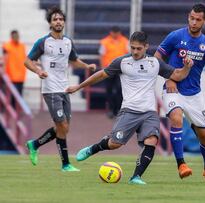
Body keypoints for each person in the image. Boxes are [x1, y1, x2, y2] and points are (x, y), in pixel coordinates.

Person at [68, 31, 194, 185]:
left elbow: (177, 75)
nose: (134, 51)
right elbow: (101, 75)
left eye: (138, 48)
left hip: (149, 112)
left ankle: (136, 177)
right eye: (132, 48)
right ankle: (93, 149)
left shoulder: (155, 63)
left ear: (146, 47)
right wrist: (79, 86)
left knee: (152, 140)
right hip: (129, 110)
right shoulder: (122, 62)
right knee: (115, 143)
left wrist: (187, 67)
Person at [154, 3, 205, 184]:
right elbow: (156, 59)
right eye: (192, 18)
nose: (194, 22)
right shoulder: (175, 36)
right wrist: (168, 78)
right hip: (173, 89)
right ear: (188, 17)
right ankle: (181, 164)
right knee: (176, 117)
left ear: (204, 21)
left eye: (198, 19)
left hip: (194, 94)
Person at [24, 7, 96, 172]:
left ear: (64, 22)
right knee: (62, 125)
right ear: (50, 23)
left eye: (61, 19)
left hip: (65, 89)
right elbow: (27, 61)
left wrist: (87, 66)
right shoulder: (43, 42)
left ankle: (34, 144)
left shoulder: (68, 41)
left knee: (64, 128)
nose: (58, 22)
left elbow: (74, 60)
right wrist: (38, 71)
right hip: (50, 90)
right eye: (55, 19)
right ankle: (65, 164)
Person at [99, 26, 129, 118]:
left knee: (120, 90)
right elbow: (101, 55)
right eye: (114, 32)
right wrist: (102, 69)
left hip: (121, 70)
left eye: (117, 32)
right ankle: (111, 110)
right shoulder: (105, 42)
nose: (115, 34)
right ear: (110, 32)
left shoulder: (125, 41)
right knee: (109, 90)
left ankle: (118, 109)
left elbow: (128, 54)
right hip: (109, 69)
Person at [2, 30, 27, 95]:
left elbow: (24, 58)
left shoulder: (22, 46)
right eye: (14, 36)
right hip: (10, 78)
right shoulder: (7, 46)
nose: (16, 37)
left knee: (18, 98)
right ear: (11, 36)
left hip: (21, 77)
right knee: (11, 100)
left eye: (17, 36)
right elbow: (4, 59)